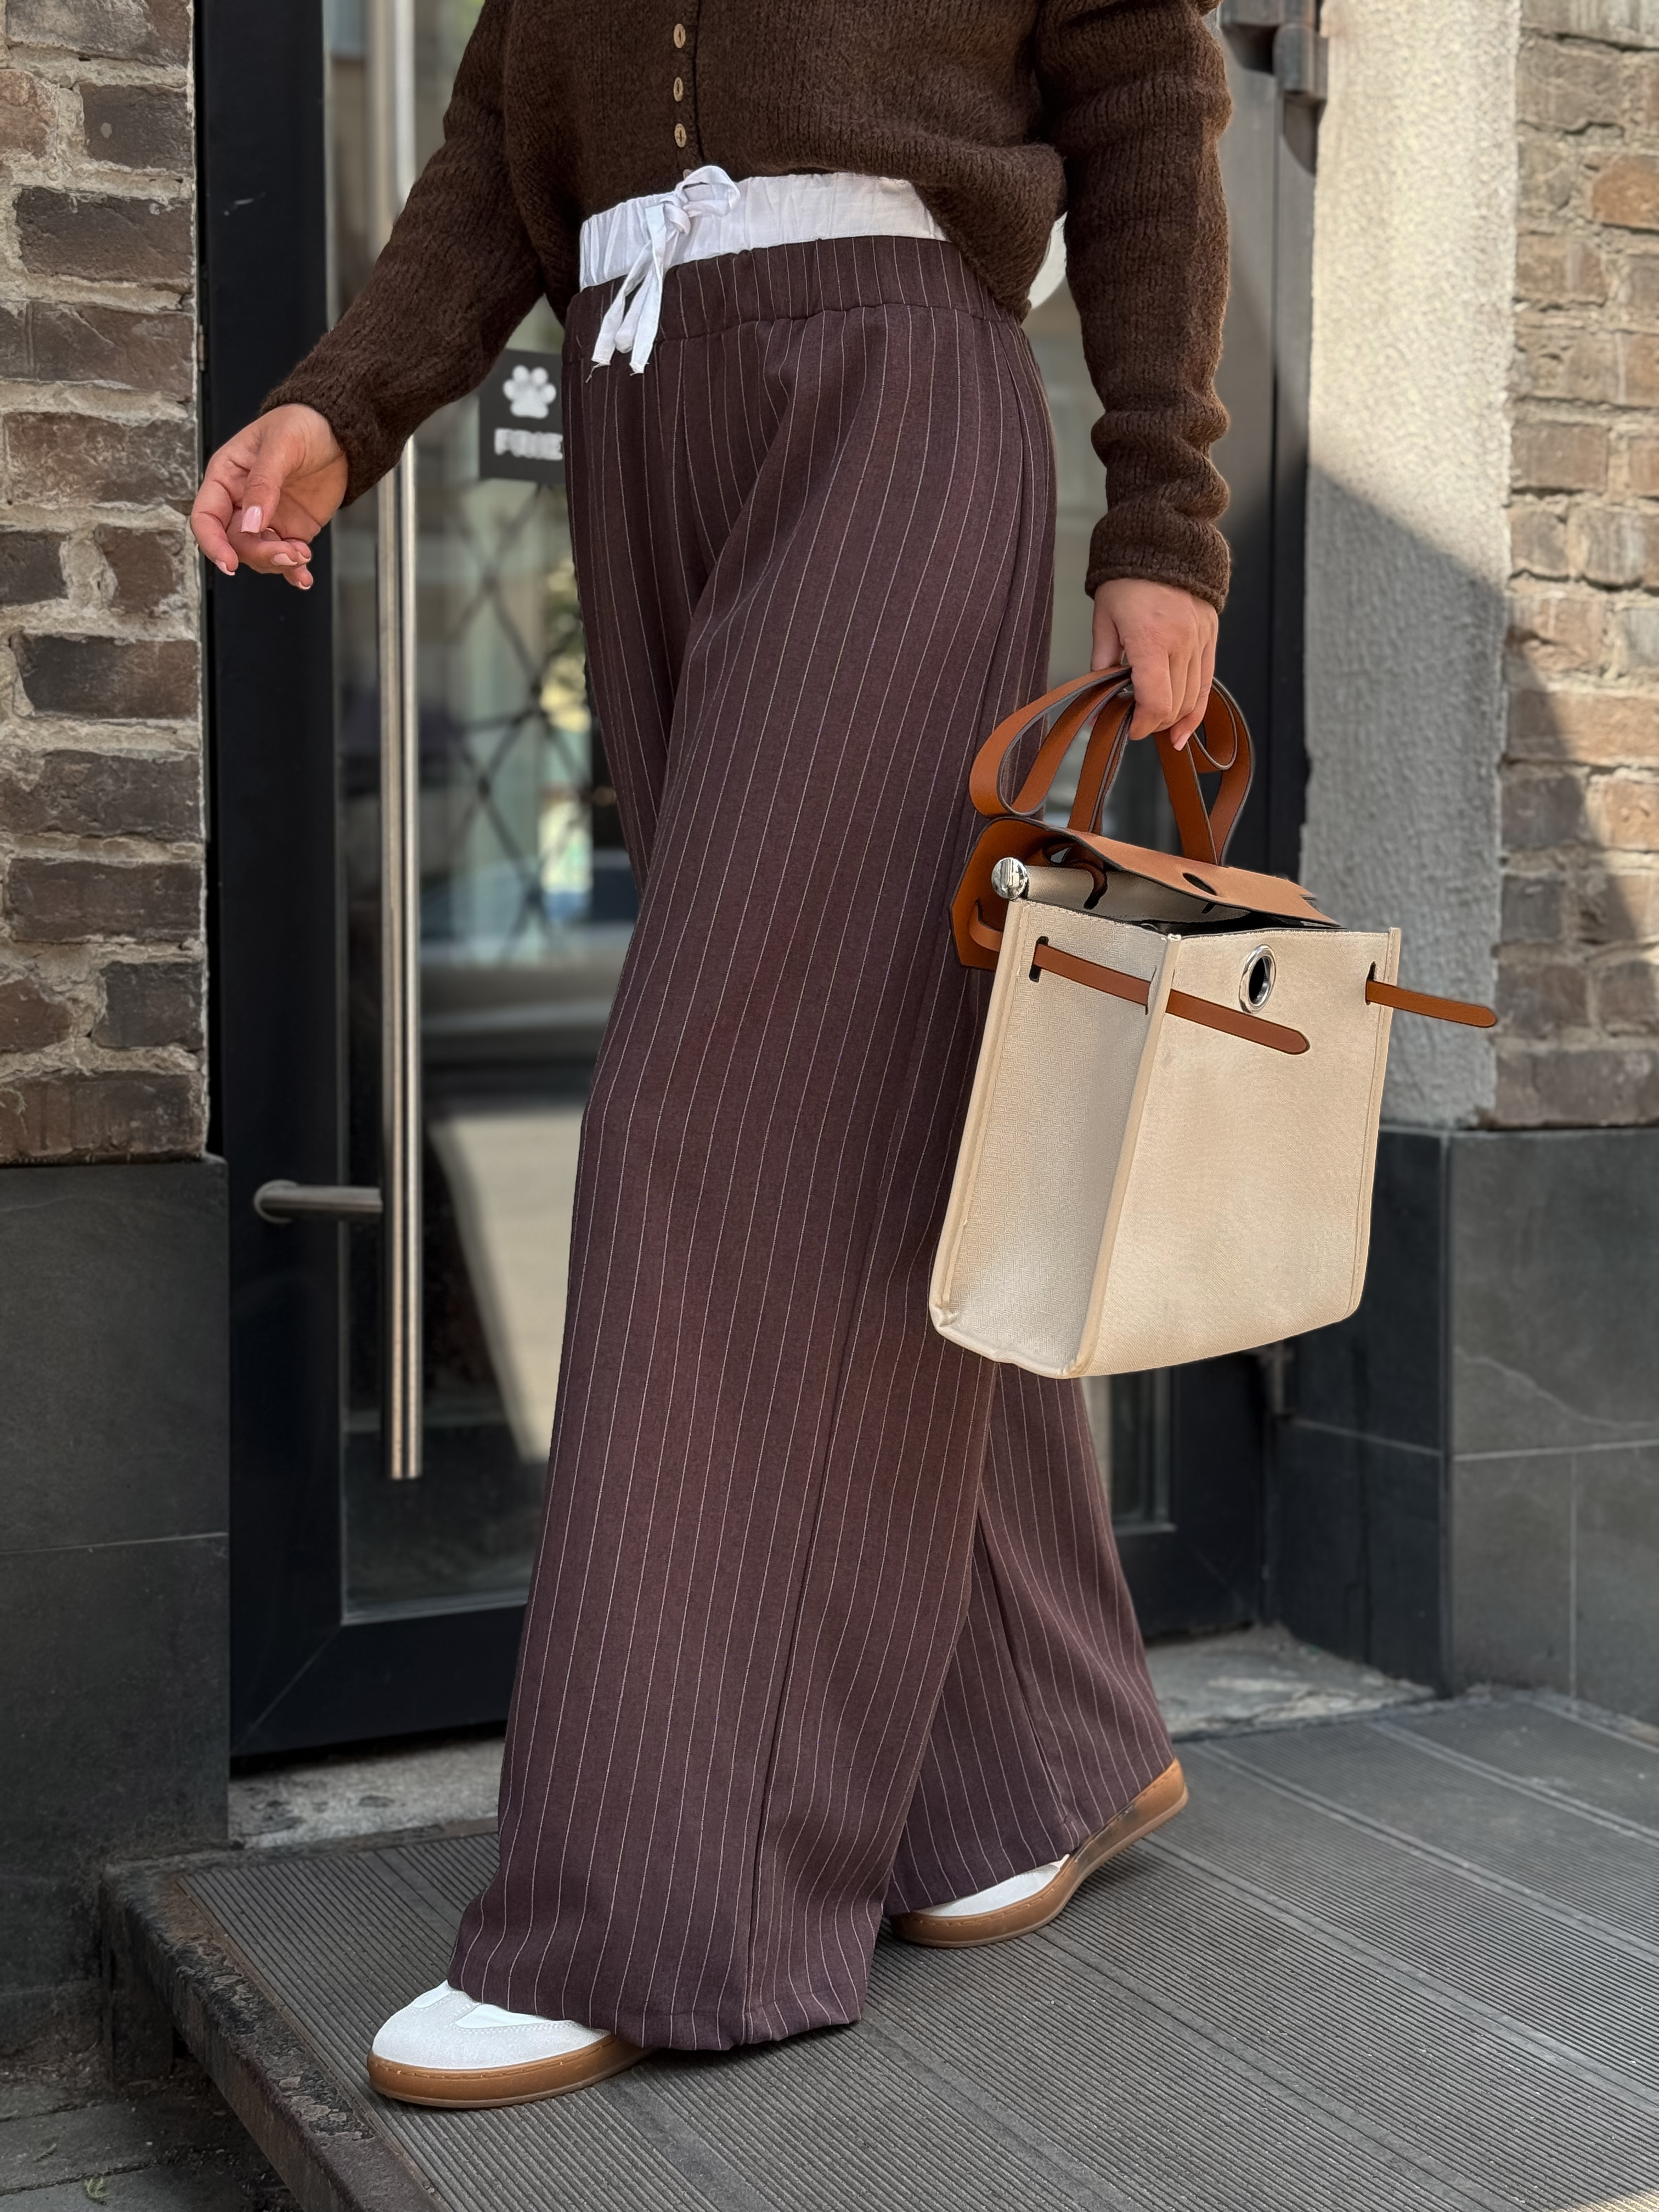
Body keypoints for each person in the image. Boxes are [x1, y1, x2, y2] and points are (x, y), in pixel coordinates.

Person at [191, 0, 1232, 2109]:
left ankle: (661, 1902)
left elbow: (1141, 92)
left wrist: (1164, 514)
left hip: (890, 397)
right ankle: (1037, 1749)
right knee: (849, 1100)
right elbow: (503, 149)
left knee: (705, 1125)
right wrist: (342, 405)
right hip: (643, 406)